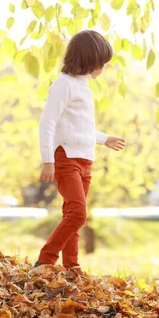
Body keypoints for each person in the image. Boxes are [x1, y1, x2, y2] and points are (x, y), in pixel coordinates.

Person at [35, 30, 125, 269]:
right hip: (66, 159)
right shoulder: (63, 84)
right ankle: (45, 260)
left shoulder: (84, 87)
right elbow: (48, 123)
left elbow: (80, 128)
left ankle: (71, 267)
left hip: (85, 161)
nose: (103, 68)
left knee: (72, 217)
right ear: (88, 60)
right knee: (78, 214)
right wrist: (47, 161)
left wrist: (104, 138)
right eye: (101, 63)